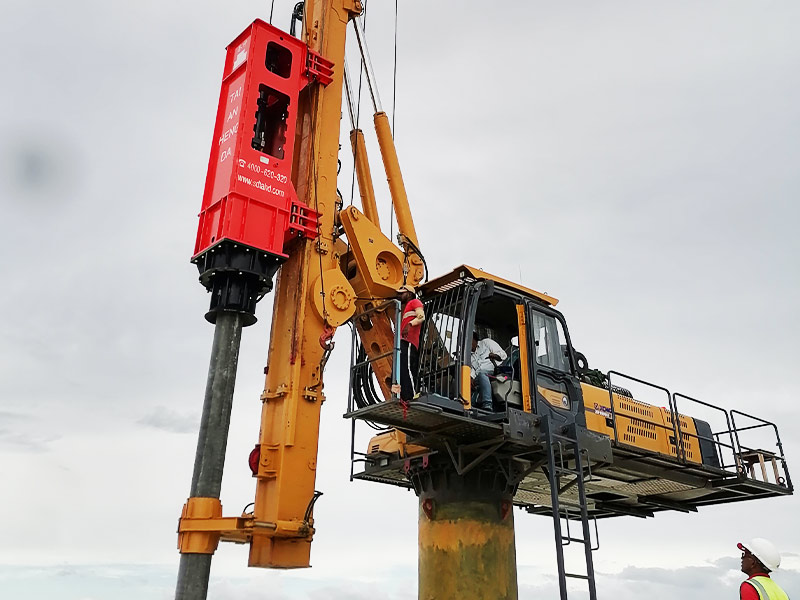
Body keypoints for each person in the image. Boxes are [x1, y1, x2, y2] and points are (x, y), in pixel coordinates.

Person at [390, 284, 425, 402]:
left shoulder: (415, 302)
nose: (400, 295)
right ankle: (404, 396)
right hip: (404, 342)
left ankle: (412, 395)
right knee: (401, 369)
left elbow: (421, 316)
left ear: (409, 294)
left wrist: (409, 325)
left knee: (408, 368)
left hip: (409, 342)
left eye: (402, 293)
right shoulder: (406, 308)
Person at [470, 332, 507, 411]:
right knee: (466, 381)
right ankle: (470, 404)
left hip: (494, 371)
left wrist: (495, 356)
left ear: (474, 339)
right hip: (479, 375)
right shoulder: (470, 356)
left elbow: (503, 355)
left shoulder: (486, 343)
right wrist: (470, 378)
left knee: (482, 374)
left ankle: (487, 403)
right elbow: (472, 369)